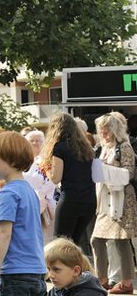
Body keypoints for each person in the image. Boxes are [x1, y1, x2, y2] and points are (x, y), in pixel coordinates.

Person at [0, 131, 47, 295]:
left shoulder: (6, 194)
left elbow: (5, 233)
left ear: (11, 160)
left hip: (14, 271)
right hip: (36, 269)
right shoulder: (30, 191)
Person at [91, 114, 136, 294]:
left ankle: (125, 283)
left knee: (121, 240)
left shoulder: (124, 146)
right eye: (102, 128)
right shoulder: (102, 147)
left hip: (121, 198)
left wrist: (106, 170)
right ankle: (102, 280)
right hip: (105, 199)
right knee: (97, 239)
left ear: (115, 129)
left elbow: (129, 174)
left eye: (107, 128)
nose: (104, 132)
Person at [42, 113, 96, 255]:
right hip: (89, 201)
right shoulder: (86, 147)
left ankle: (59, 275)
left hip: (70, 200)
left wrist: (45, 168)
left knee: (59, 244)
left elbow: (55, 178)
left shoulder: (59, 147)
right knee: (74, 244)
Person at [22, 130, 57, 244]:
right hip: (25, 202)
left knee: (45, 238)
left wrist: (38, 195)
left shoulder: (47, 160)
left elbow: (51, 181)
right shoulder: (23, 161)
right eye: (31, 141)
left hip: (45, 204)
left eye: (38, 140)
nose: (35, 143)